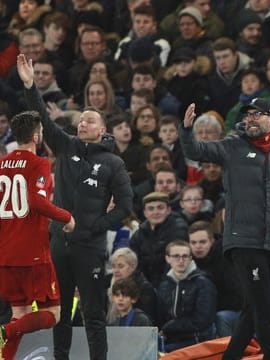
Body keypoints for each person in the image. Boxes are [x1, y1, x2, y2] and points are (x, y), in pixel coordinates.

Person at [17, 54, 133, 360]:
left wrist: (98, 226)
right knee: (58, 312)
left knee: (93, 314)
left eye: (90, 120)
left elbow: (125, 206)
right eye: (80, 119)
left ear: (102, 128)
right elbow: (41, 114)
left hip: (89, 247)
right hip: (58, 245)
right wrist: (30, 85)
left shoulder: (113, 162)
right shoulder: (66, 146)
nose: (82, 123)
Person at [180, 97, 270, 359]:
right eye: (248, 115)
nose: (251, 119)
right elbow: (196, 151)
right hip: (244, 242)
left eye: (258, 114)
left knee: (253, 308)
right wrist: (187, 130)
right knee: (264, 310)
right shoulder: (233, 146)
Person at [0, 110, 75, 360]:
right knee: (53, 314)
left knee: (20, 314)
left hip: (6, 253)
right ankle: (5, 331)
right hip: (32, 253)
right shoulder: (39, 163)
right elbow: (36, 201)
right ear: (36, 136)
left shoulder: (1, 164)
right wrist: (66, 217)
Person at [157, 240, 217, 352]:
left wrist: (169, 327)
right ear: (167, 258)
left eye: (185, 256)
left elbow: (202, 321)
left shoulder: (203, 283)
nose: (181, 260)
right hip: (170, 339)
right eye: (176, 256)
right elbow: (160, 316)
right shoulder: (164, 285)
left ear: (190, 258)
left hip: (196, 340)